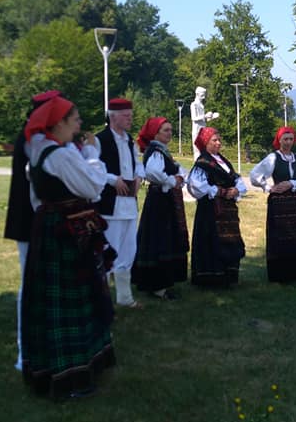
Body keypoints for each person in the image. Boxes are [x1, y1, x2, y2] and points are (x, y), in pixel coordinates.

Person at [20, 96, 114, 400]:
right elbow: (94, 186)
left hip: (50, 227)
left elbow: (37, 199)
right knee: (73, 299)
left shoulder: (38, 149)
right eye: (74, 119)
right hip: (66, 232)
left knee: (53, 302)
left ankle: (52, 369)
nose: (79, 124)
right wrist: (92, 152)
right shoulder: (60, 156)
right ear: (58, 123)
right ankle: (73, 374)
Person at [4, 89, 61, 371]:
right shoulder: (32, 139)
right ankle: (26, 351)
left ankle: (43, 344)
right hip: (30, 222)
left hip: (37, 220)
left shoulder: (37, 137)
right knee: (31, 284)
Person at [96, 98, 146, 309]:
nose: (130, 119)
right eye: (126, 116)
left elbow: (137, 163)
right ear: (113, 117)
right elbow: (92, 167)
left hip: (129, 205)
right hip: (110, 205)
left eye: (131, 115)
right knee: (109, 252)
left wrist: (139, 176)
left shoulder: (129, 140)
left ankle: (125, 297)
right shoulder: (100, 140)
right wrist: (112, 179)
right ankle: (103, 301)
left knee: (128, 252)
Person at [133, 116, 189, 300]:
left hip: (163, 200)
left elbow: (175, 169)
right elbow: (152, 172)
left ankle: (162, 284)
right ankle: (157, 285)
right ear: (155, 133)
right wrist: (171, 180)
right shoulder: (156, 151)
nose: (169, 133)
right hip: (159, 201)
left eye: (171, 130)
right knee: (160, 239)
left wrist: (178, 176)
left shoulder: (161, 151)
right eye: (166, 130)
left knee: (164, 238)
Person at [249, 126, 296, 283]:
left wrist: (292, 183)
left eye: (291, 139)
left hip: (294, 202)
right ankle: (280, 274)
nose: (288, 142)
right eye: (285, 139)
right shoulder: (273, 158)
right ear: (279, 140)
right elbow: (255, 175)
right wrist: (268, 187)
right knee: (280, 235)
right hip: (278, 204)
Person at [188, 127, 247, 287]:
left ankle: (228, 276)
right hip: (210, 210)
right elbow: (196, 185)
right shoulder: (203, 163)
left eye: (219, 140)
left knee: (229, 239)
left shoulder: (223, 161)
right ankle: (211, 278)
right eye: (214, 140)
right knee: (212, 240)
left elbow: (237, 179)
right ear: (205, 143)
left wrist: (236, 190)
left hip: (228, 210)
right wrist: (219, 191)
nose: (218, 143)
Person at [190, 86, 219, 159]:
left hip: (203, 130)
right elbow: (194, 118)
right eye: (202, 95)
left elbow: (203, 120)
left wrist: (212, 117)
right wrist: (205, 116)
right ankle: (197, 164)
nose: (203, 97)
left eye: (204, 95)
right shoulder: (194, 104)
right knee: (197, 150)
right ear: (197, 94)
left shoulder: (201, 105)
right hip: (197, 130)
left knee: (204, 150)